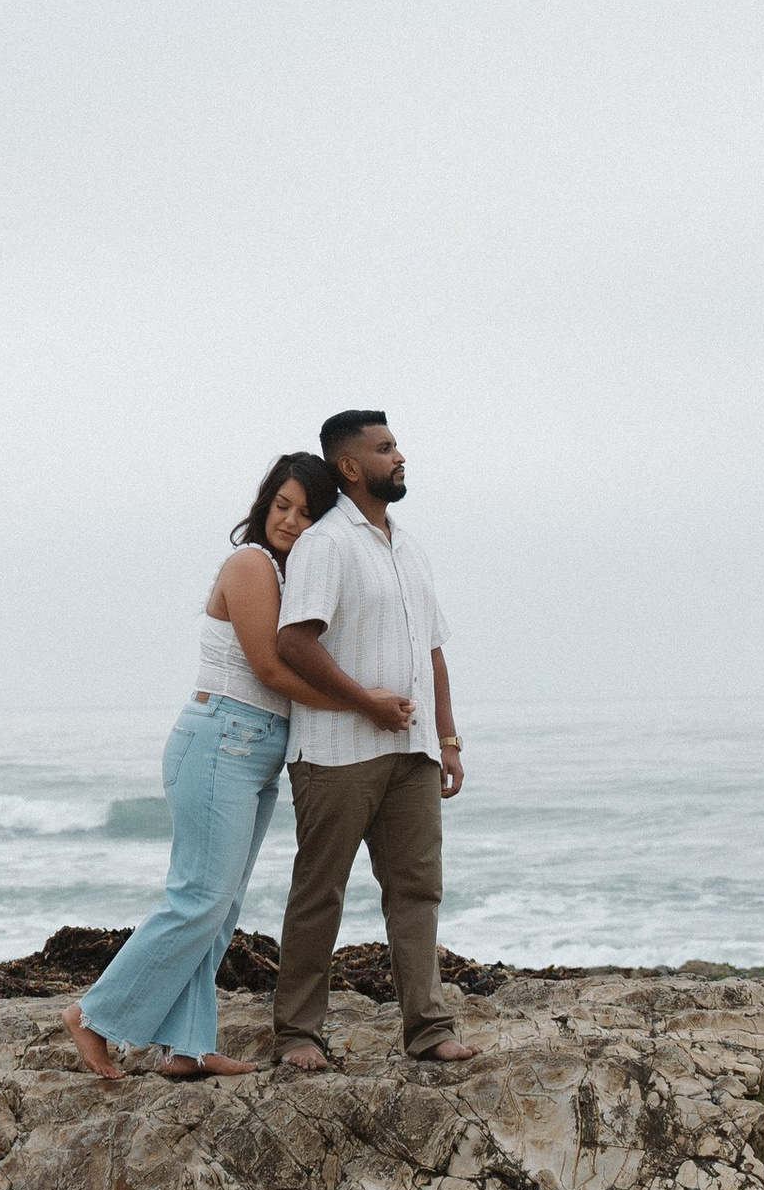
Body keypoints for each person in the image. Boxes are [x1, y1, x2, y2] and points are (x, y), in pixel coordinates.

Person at [60, 451, 407, 1083]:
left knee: (219, 908)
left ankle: (188, 1046)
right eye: (281, 506)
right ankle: (94, 1015)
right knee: (200, 897)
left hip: (253, 753)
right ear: (263, 503)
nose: (290, 522)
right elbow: (273, 670)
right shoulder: (250, 565)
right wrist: (365, 706)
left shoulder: (291, 574)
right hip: (221, 737)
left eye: (306, 514)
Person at [268, 410, 469, 1073]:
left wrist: (447, 739)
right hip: (334, 752)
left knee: (417, 890)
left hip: (412, 751)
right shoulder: (326, 545)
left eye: (397, 445)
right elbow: (294, 640)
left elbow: (432, 652)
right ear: (350, 466)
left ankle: (428, 1027)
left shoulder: (410, 546)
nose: (399, 456)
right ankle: (298, 1033)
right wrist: (366, 701)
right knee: (319, 891)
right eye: (385, 449)